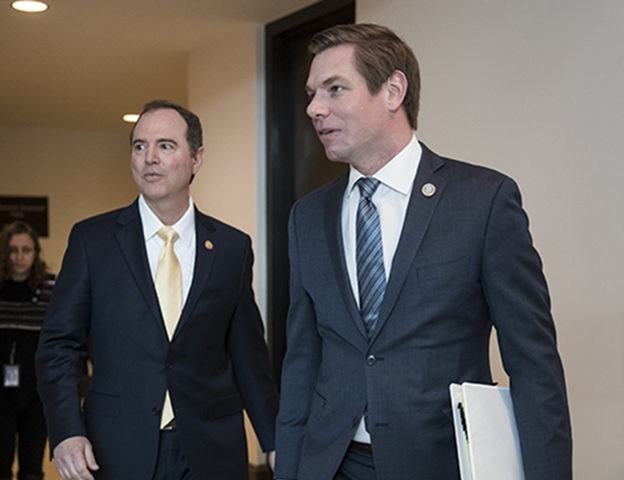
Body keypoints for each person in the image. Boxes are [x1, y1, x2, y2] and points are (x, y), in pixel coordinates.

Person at [274, 23, 572, 480]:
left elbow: (534, 365)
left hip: (441, 462)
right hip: (331, 463)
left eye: (335, 89)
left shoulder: (483, 201)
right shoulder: (307, 217)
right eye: (312, 93)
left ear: (393, 90)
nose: (315, 108)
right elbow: (301, 366)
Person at [35, 100, 279, 480]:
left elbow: (248, 353)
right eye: (139, 146)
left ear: (197, 158)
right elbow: (58, 346)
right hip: (116, 447)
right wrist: (66, 431)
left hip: (211, 448)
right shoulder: (92, 240)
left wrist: (274, 439)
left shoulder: (232, 248)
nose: (150, 158)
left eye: (165, 145)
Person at [0, 221, 55, 480]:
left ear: (35, 253)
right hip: (1, 395)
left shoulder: (50, 290)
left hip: (37, 392)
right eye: (12, 250)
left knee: (32, 467)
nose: (19, 257)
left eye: (26, 250)